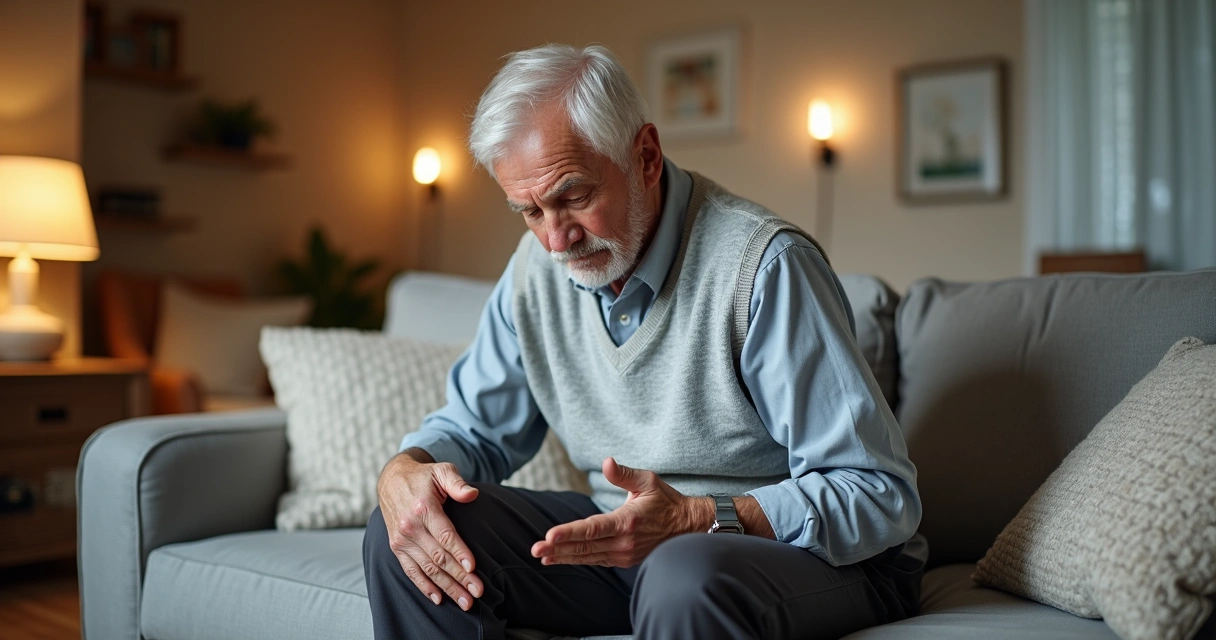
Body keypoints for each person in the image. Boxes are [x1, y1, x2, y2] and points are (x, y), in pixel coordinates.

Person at [364, 43, 926, 640]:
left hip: (814, 560)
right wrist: (403, 471)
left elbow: (878, 494)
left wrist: (695, 519)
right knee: (411, 529)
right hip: (633, 548)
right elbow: (473, 428)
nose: (555, 241)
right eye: (528, 211)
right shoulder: (537, 270)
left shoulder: (764, 267)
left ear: (647, 157)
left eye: (573, 197)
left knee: (682, 573)